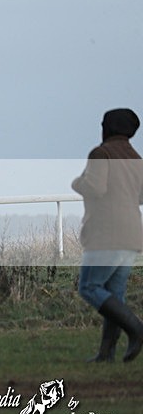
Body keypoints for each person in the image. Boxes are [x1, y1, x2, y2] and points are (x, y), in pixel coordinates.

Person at [72, 108, 143, 363]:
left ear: (108, 128)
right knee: (114, 296)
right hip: (132, 234)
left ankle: (135, 328)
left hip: (106, 234)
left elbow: (95, 188)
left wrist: (77, 183)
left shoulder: (100, 153)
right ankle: (106, 353)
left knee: (90, 287)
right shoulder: (135, 157)